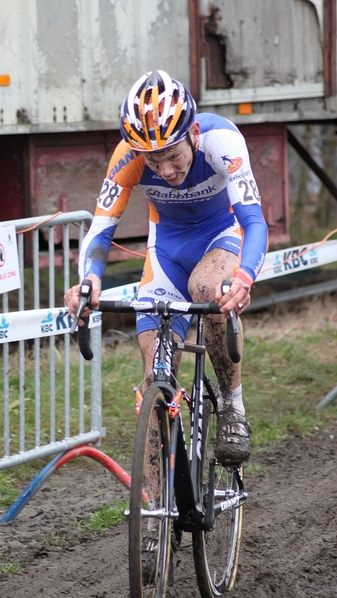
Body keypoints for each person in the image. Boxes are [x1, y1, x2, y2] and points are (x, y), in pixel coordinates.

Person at [64, 70, 268, 465]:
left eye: (173, 157)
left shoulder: (221, 141)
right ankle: (158, 509)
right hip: (167, 250)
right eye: (154, 162)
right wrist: (88, 280)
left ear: (192, 132)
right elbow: (100, 230)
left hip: (221, 235)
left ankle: (232, 406)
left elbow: (255, 221)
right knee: (153, 374)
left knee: (208, 289)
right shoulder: (128, 157)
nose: (168, 172)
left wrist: (244, 277)